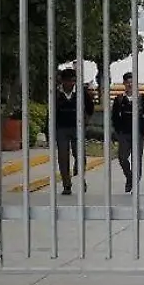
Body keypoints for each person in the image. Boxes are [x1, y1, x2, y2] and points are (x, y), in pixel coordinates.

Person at [52, 67, 93, 196]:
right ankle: (66, 184)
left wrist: (85, 121)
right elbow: (52, 111)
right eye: (68, 81)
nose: (71, 83)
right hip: (61, 129)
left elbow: (90, 107)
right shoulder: (56, 94)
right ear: (62, 81)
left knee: (80, 155)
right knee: (63, 157)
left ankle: (81, 179)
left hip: (78, 128)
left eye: (73, 80)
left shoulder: (82, 92)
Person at [110, 72, 138, 193]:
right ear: (124, 84)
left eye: (132, 82)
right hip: (124, 133)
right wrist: (117, 131)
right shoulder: (119, 99)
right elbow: (114, 116)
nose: (130, 84)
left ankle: (135, 182)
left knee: (137, 160)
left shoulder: (141, 98)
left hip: (137, 133)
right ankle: (129, 177)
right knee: (122, 158)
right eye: (128, 82)